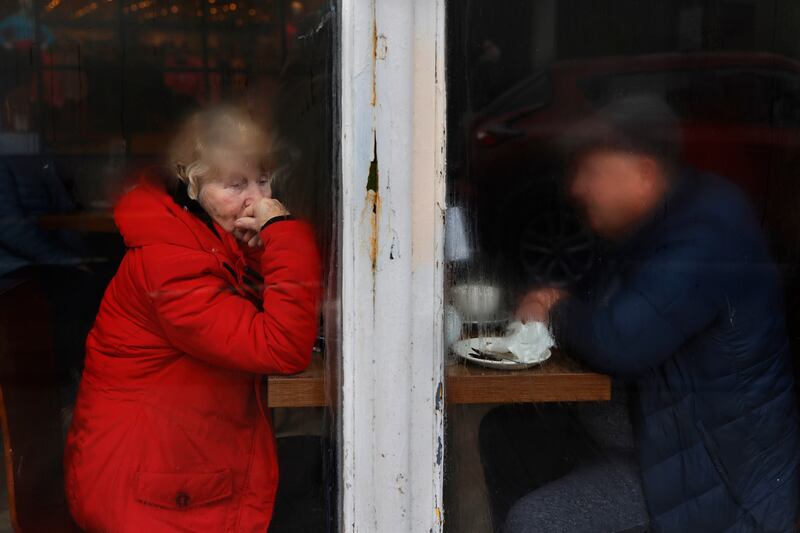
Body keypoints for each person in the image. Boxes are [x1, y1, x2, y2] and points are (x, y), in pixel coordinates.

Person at [487, 95, 800, 532]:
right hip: (657, 435)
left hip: (712, 473)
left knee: (535, 520)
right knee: (506, 430)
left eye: (592, 171)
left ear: (643, 172)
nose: (576, 187)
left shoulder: (708, 230)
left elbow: (621, 342)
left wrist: (554, 309)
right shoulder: (650, 222)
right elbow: (596, 294)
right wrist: (560, 300)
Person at [63, 104, 322, 532]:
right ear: (191, 188)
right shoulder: (169, 261)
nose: (259, 199)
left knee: (320, 464)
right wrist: (283, 233)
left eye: (262, 178)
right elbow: (283, 347)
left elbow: (260, 306)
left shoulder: (197, 238)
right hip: (145, 492)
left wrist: (260, 249)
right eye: (234, 183)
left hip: (175, 464)